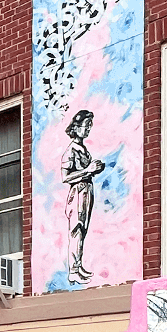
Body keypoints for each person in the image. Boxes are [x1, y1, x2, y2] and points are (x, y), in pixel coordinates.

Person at [61, 110, 105, 284]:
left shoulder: (83, 149)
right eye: (86, 126)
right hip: (77, 192)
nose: (88, 130)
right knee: (76, 230)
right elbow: (65, 177)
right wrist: (88, 170)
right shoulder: (70, 151)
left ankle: (78, 266)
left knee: (83, 230)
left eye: (90, 126)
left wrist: (95, 169)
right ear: (76, 127)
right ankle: (73, 270)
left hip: (87, 190)